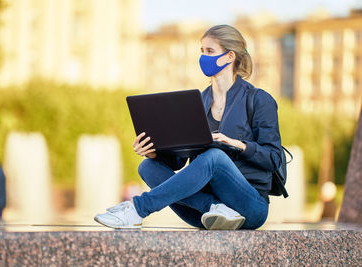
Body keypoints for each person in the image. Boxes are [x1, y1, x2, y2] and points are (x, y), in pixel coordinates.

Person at [94, 25, 282, 230]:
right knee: (147, 167)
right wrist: (154, 153)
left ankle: (137, 210)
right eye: (202, 51)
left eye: (210, 51)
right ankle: (216, 207)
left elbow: (274, 158)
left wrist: (237, 144)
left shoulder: (259, 100)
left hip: (250, 208)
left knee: (214, 157)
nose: (203, 57)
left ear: (229, 57)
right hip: (204, 214)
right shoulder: (198, 101)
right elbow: (179, 161)